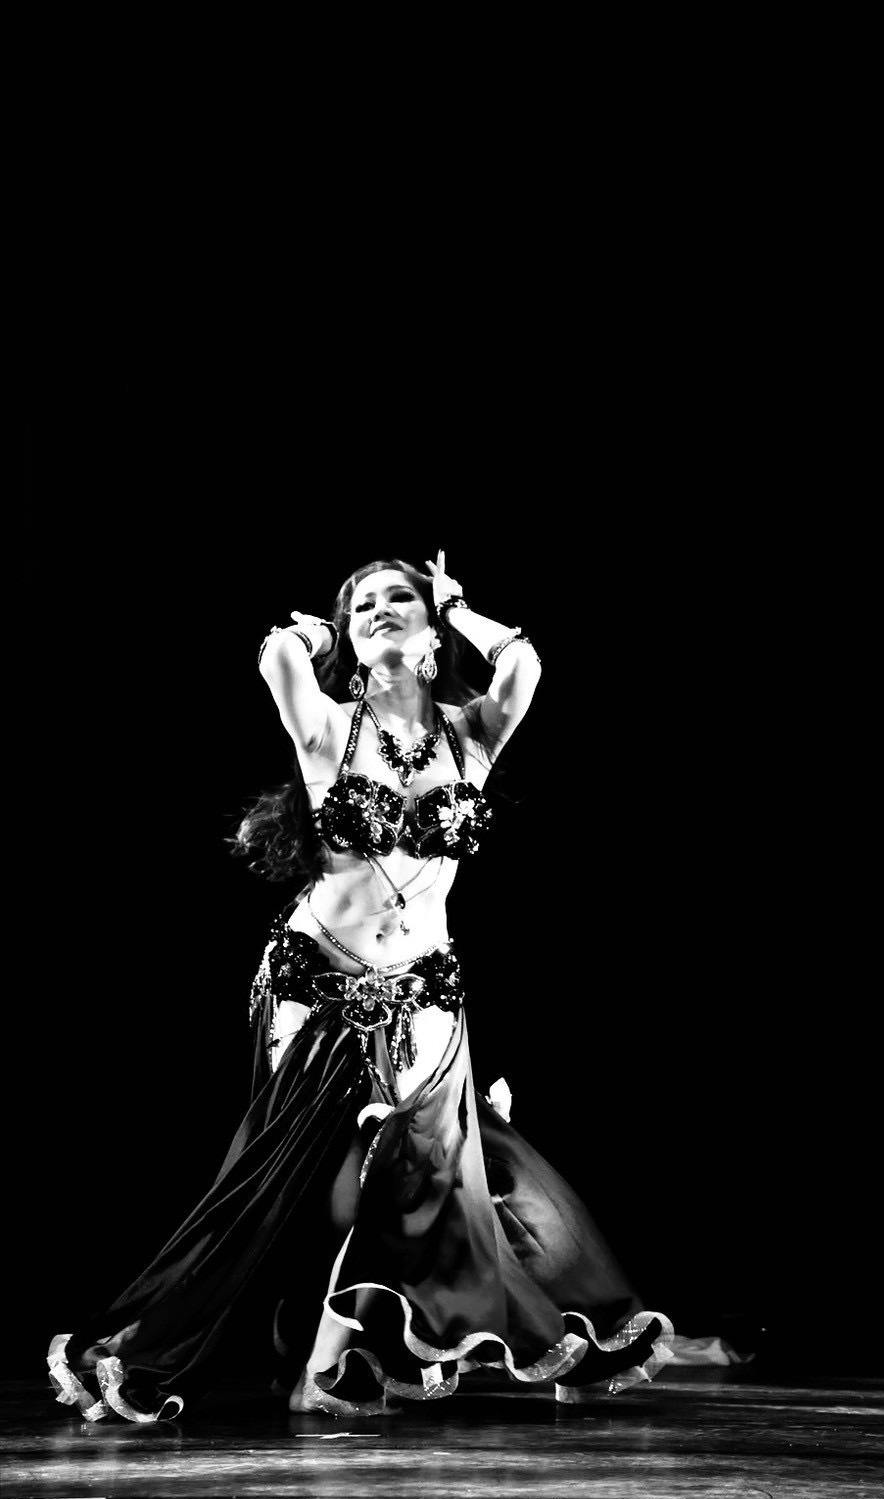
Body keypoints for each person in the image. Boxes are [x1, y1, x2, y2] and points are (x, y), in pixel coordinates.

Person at [46, 552, 675, 1422]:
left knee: (416, 1178)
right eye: (363, 604)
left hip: (426, 985)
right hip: (318, 978)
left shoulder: (470, 734)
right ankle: (154, 1344)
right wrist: (311, 632)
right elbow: (276, 656)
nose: (381, 609)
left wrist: (458, 607)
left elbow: (523, 663)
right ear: (346, 632)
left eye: (399, 597)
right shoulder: (327, 725)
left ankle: (324, 1369)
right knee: (303, 1179)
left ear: (432, 623)